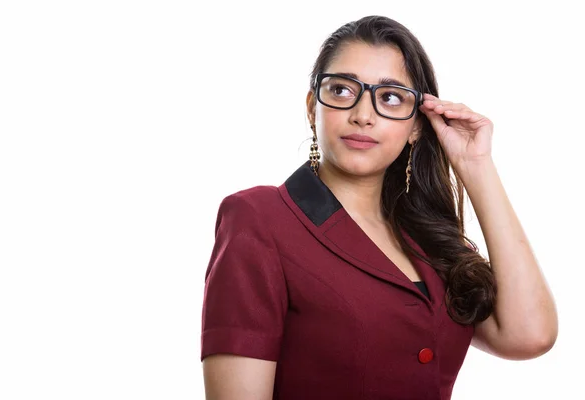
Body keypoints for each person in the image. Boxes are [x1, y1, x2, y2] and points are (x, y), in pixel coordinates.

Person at [199, 15, 558, 400]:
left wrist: (476, 166)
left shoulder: (430, 238)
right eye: (341, 91)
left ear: (417, 125)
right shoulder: (259, 217)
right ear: (311, 108)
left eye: (389, 97)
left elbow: (530, 335)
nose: (363, 115)